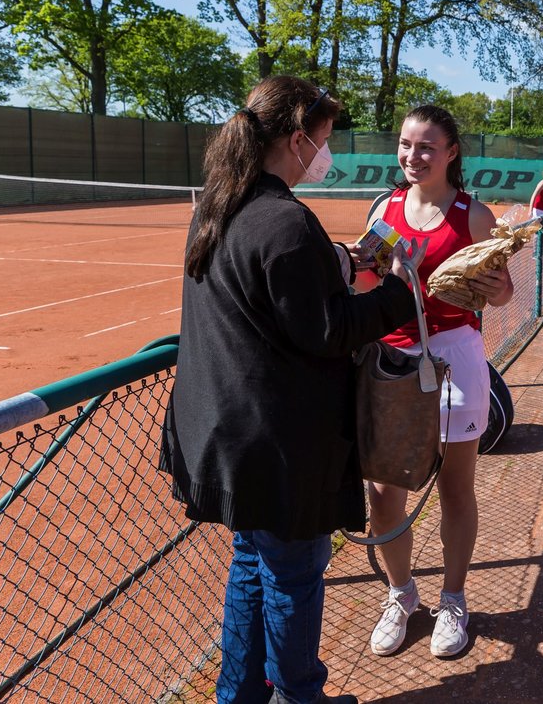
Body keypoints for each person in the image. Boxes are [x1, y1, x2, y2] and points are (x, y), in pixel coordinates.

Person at [161, 76, 417, 704]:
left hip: (222, 434)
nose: (325, 153)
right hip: (277, 448)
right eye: (323, 140)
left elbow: (278, 286)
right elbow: (329, 329)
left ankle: (239, 695)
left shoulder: (223, 205)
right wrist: (395, 294)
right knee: (294, 578)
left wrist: (337, 261)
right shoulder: (285, 221)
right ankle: (299, 696)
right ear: (297, 139)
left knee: (254, 565)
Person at [355, 104, 515, 660]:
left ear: (451, 153)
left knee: (454, 487)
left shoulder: (474, 215)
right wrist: (359, 268)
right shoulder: (384, 206)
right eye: (405, 145)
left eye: (426, 147)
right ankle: (401, 596)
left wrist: (495, 286)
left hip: (455, 357)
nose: (412, 156)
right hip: (394, 358)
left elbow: (503, 293)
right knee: (383, 490)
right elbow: (367, 277)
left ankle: (453, 599)